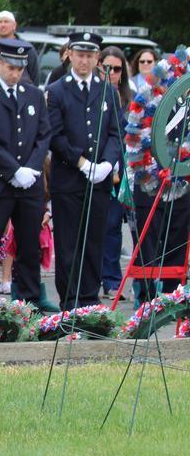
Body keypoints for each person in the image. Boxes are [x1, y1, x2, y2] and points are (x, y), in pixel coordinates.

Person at [0, 39, 51, 306]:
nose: (15, 73)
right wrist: (13, 171)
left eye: (19, 69)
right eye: (10, 67)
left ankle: (28, 299)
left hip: (29, 184)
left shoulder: (34, 95)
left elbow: (43, 133)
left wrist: (32, 168)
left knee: (28, 245)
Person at [45, 31, 122, 310]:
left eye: (90, 56)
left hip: (99, 179)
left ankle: (90, 300)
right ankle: (70, 300)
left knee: (94, 241)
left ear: (97, 58)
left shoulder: (107, 90)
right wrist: (82, 162)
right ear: (70, 55)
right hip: (69, 178)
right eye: (80, 54)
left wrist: (106, 164)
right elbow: (55, 134)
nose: (85, 61)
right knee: (68, 244)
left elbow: (115, 133)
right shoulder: (56, 90)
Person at [99, 46, 133, 299]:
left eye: (116, 69)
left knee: (113, 226)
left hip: (124, 170)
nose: (111, 73)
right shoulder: (93, 94)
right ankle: (92, 278)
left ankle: (111, 280)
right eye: (106, 67)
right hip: (95, 167)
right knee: (93, 227)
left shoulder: (131, 99)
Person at [0, 10, 40, 85]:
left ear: (14, 25)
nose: (3, 25)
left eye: (6, 21)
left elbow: (35, 76)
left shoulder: (26, 48)